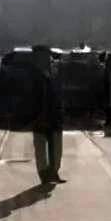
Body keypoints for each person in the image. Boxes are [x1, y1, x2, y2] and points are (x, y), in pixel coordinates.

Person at [31, 45, 65, 184]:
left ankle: (54, 172)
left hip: (54, 117)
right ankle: (45, 175)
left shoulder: (53, 72)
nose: (47, 59)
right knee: (41, 149)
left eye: (47, 56)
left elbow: (58, 93)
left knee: (56, 148)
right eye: (44, 56)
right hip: (39, 117)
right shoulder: (33, 75)